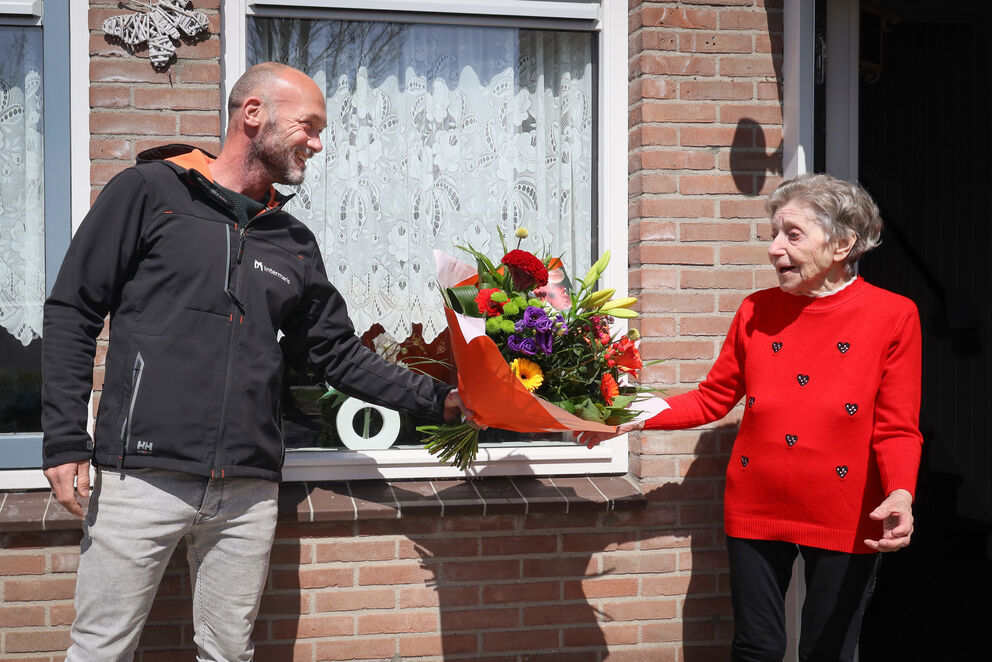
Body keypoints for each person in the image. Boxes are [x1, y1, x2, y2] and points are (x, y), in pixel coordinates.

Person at [41, 62, 471, 661]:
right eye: (308, 126)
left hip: (247, 490)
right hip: (140, 476)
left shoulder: (292, 242)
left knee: (229, 654)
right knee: (101, 650)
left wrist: (443, 401)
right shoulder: (148, 193)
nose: (317, 144)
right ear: (253, 114)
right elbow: (73, 310)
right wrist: (65, 439)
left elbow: (335, 353)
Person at [581, 173, 923, 662]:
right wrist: (628, 414)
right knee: (756, 648)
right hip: (757, 505)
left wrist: (900, 493)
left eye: (792, 235)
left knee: (827, 650)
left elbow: (897, 426)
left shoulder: (894, 315)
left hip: (848, 512)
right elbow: (713, 397)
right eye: (774, 234)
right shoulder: (755, 310)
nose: (774, 248)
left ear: (843, 244)